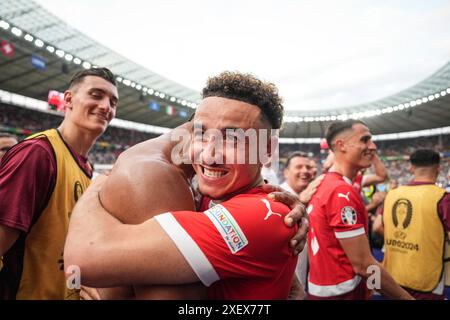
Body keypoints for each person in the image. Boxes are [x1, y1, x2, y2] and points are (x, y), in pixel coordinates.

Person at [65, 71, 308, 300]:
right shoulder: (209, 197)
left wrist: (98, 185)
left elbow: (80, 263)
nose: (210, 155)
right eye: (201, 133)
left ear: (266, 149)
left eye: (232, 138)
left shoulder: (261, 215)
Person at [0, 67, 118, 299]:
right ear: (69, 99)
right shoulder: (38, 154)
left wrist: (76, 286)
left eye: (113, 102)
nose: (106, 106)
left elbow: (68, 249)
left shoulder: (86, 168)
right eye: (96, 95)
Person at [306, 119, 413, 300]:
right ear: (342, 145)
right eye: (365, 140)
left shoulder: (326, 183)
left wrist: (369, 287)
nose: (373, 146)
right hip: (342, 293)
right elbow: (363, 265)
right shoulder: (341, 191)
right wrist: (406, 298)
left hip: (330, 287)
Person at [380, 149, 450, 299]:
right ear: (438, 168)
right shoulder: (443, 198)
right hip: (427, 280)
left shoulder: (391, 195)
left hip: (393, 277)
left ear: (410, 167)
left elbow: (379, 227)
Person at [280, 151, 323, 298]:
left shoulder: (310, 195)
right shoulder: (277, 195)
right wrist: (300, 200)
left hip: (300, 280)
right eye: (299, 167)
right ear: (286, 173)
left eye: (308, 167)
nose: (305, 171)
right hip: (281, 288)